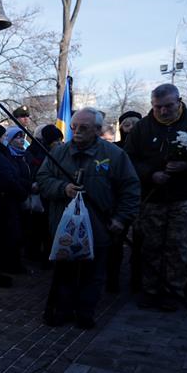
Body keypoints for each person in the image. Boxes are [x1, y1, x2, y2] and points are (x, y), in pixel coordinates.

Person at [37, 109, 140, 328]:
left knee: (93, 274)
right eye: (74, 127)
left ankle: (85, 312)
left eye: (83, 128)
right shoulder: (59, 152)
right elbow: (43, 179)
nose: (77, 132)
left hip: (98, 225)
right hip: (64, 227)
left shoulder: (114, 154)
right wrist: (63, 188)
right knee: (64, 273)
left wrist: (121, 218)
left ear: (97, 129)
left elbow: (130, 188)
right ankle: (62, 310)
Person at [124, 83, 187, 310]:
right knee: (151, 245)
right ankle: (150, 289)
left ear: (179, 101)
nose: (162, 111)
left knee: (178, 245)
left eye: (168, 106)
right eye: (157, 107)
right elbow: (129, 159)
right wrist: (150, 174)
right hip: (153, 196)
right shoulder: (143, 128)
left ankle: (174, 291)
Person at [0, 124, 30, 287]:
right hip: (0, 204)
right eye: (3, 137)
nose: (5, 140)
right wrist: (22, 192)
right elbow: (6, 179)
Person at [107, 110, 145, 291]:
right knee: (115, 243)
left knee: (140, 243)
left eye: (135, 125)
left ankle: (137, 279)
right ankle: (112, 279)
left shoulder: (147, 150)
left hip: (143, 201)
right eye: (127, 125)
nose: (131, 130)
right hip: (117, 203)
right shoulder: (114, 149)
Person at [24, 125, 64, 264]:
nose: (59, 143)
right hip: (39, 196)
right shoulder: (34, 151)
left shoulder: (55, 151)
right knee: (37, 228)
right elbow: (34, 170)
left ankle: (47, 254)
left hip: (50, 195)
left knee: (47, 228)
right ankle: (34, 254)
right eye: (56, 140)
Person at [2, 126, 31, 274]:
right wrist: (27, 186)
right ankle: (11, 264)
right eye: (17, 137)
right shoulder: (8, 156)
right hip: (12, 200)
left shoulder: (23, 155)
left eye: (22, 137)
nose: (21, 140)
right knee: (12, 234)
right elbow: (13, 178)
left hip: (22, 198)